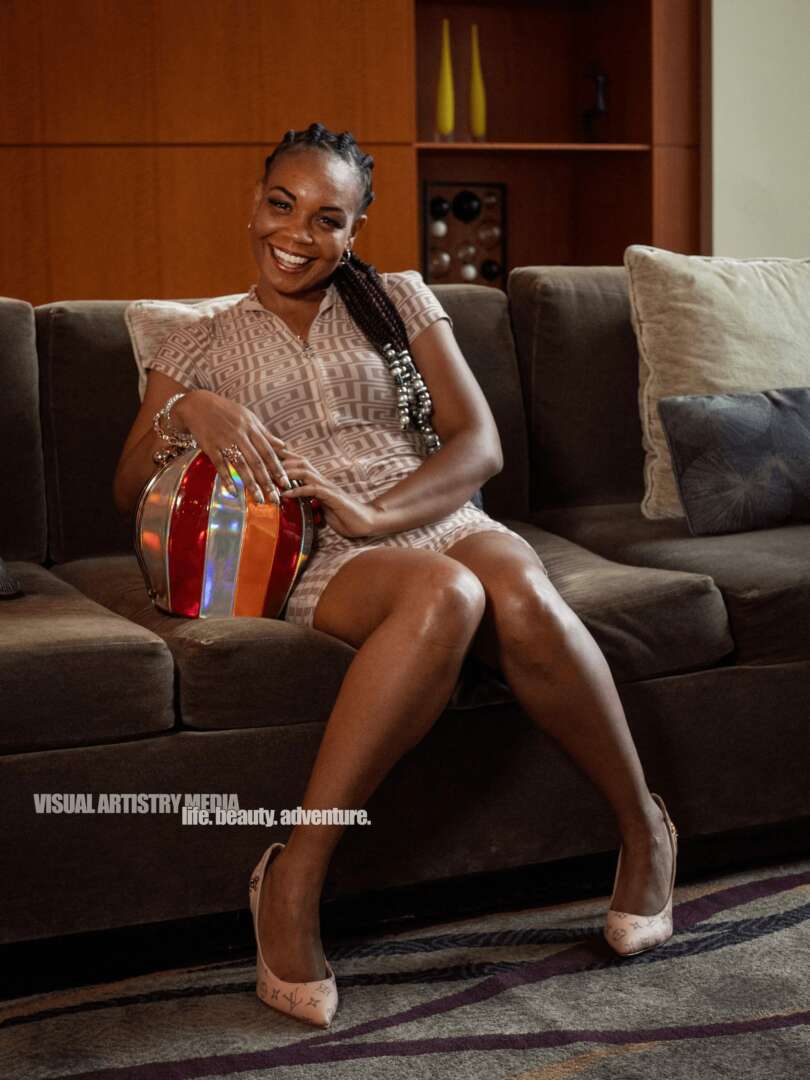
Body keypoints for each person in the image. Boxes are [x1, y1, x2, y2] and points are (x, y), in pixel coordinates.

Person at [114, 122, 678, 1029]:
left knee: (518, 590)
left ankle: (644, 828)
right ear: (254, 204)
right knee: (446, 592)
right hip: (320, 549)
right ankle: (294, 877)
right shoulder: (200, 342)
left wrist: (380, 510)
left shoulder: (399, 299)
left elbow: (478, 443)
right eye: (281, 205)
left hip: (430, 510)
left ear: (354, 230)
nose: (297, 233)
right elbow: (126, 488)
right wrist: (189, 412)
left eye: (327, 218)